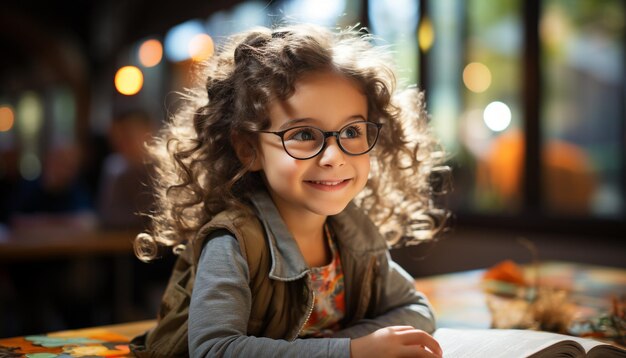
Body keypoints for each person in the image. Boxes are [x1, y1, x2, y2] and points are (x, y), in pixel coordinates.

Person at [131, 23, 449, 357]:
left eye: (352, 130)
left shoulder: (352, 234)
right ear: (249, 149)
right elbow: (214, 350)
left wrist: (353, 346)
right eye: (302, 135)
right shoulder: (233, 243)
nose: (333, 157)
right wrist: (350, 352)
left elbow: (417, 310)